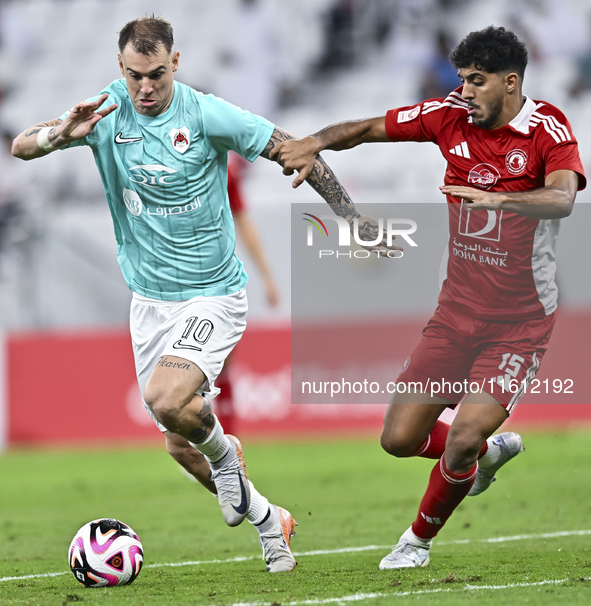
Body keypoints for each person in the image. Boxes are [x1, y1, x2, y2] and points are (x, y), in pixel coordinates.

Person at [11, 16, 389, 573]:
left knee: (167, 398)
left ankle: (224, 455)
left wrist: (351, 219)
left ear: (176, 64)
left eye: (157, 75)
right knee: (179, 445)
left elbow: (294, 147)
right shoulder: (104, 111)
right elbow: (22, 145)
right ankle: (269, 521)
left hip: (213, 294)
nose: (146, 88)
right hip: (149, 302)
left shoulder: (207, 113)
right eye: (136, 76)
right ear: (121, 68)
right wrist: (57, 135)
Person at [271, 25, 586, 568]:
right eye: (462, 79)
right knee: (398, 439)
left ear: (511, 83)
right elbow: (370, 126)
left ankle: (415, 542)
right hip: (455, 314)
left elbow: (561, 199)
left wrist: (495, 199)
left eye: (477, 81)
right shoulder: (449, 115)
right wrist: (314, 142)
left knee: (461, 435)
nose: (465, 90)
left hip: (520, 323)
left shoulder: (548, 129)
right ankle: (486, 456)